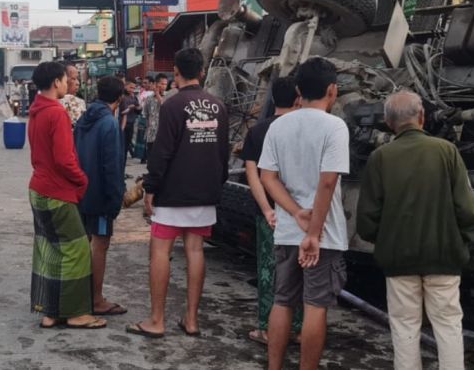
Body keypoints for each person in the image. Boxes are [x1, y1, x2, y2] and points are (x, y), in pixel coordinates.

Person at [356, 90, 474, 370]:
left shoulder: (380, 157)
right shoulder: (446, 151)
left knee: (404, 327)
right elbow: (469, 210)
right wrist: (461, 242)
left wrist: (387, 240)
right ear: (423, 117)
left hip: (399, 260)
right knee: (448, 325)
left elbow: (366, 220)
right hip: (444, 258)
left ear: (389, 122)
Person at [127, 48, 229, 339]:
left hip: (172, 192)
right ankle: (192, 320)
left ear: (175, 73)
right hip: (204, 192)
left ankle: (157, 320)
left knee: (160, 252)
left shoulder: (172, 106)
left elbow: (162, 152)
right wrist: (215, 184)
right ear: (201, 72)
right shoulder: (218, 106)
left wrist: (150, 187)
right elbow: (222, 152)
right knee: (195, 251)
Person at [259, 57, 349, 370]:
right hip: (323, 236)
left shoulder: (278, 126)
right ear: (333, 91)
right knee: (315, 308)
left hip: (286, 230)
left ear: (298, 91)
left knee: (282, 302)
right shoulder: (335, 127)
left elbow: (267, 177)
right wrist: (313, 232)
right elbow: (327, 182)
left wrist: (296, 213)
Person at [27, 61, 106, 330]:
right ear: (56, 82)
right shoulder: (56, 113)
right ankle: (75, 313)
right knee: (76, 251)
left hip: (39, 188)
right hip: (57, 191)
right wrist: (82, 180)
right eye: (65, 78)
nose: (68, 83)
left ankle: (51, 312)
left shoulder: (36, 111)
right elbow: (64, 159)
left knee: (51, 250)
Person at [239, 77, 302, 346]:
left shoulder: (258, 131)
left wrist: (267, 209)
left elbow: (253, 175)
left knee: (268, 269)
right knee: (300, 270)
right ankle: (299, 329)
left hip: (269, 213)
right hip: (301, 212)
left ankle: (267, 328)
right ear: (298, 99)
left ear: (273, 99)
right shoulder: (305, 128)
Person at [75, 76, 128, 317]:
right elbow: (112, 166)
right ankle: (96, 299)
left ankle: (81, 294)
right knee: (101, 244)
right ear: (119, 97)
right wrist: (116, 199)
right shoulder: (109, 122)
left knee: (84, 243)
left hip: (81, 191)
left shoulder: (84, 118)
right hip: (100, 194)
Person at [141, 74, 169, 163]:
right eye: (162, 84)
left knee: (162, 161)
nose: (164, 86)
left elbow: (165, 106)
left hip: (164, 135)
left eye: (165, 84)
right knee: (151, 161)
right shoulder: (149, 98)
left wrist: (157, 94)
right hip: (151, 135)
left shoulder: (169, 96)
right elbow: (145, 114)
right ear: (156, 84)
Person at [119, 81, 140, 158]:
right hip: (122, 123)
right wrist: (129, 108)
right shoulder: (121, 97)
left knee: (127, 143)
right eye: (131, 87)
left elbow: (138, 108)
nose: (132, 90)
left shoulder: (134, 97)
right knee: (122, 145)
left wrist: (137, 107)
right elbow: (120, 112)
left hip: (131, 122)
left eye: (134, 88)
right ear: (125, 86)